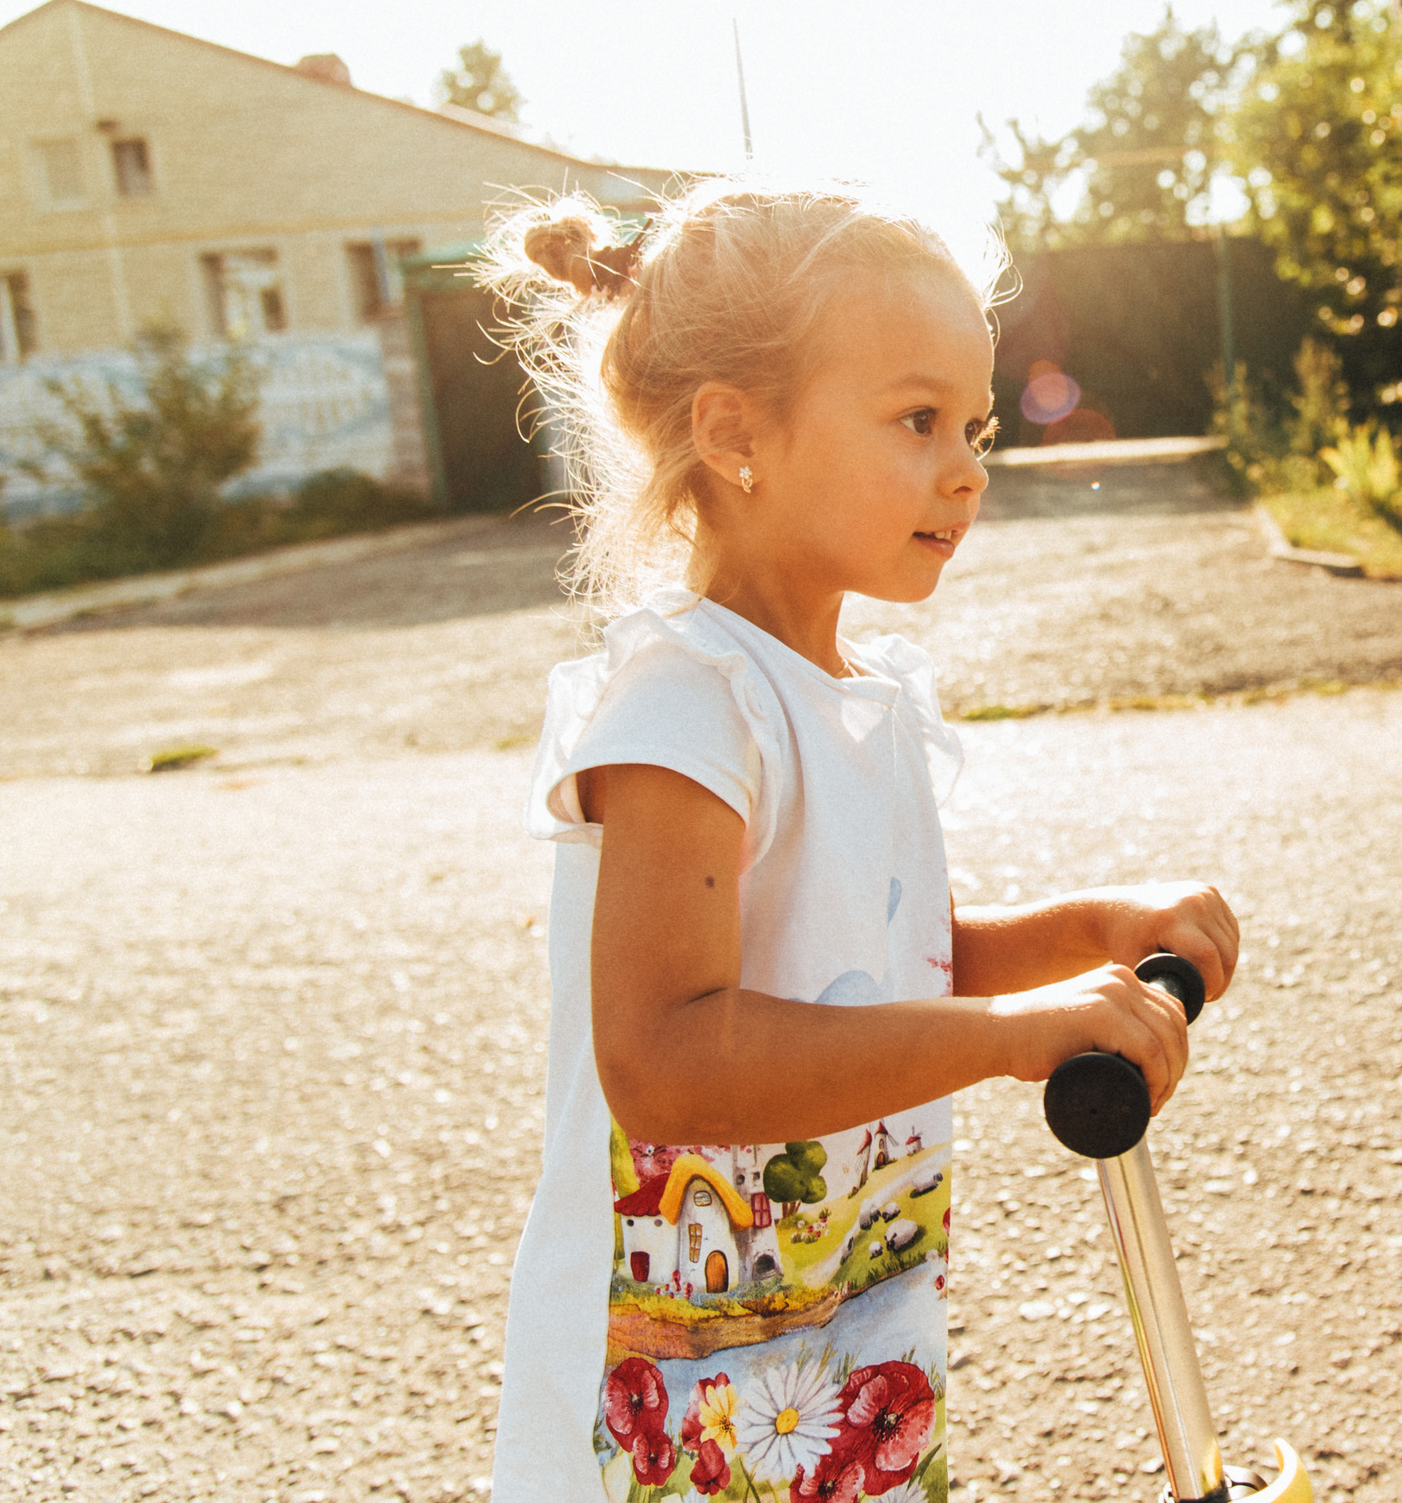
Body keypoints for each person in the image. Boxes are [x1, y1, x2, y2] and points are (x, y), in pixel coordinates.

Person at [482, 181, 1242, 1502]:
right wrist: (1017, 1035)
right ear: (737, 433)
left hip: (829, 1333)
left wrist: (1093, 938)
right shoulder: (686, 706)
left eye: (978, 426)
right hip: (671, 1387)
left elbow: (894, 970)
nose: (967, 468)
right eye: (916, 420)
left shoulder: (861, 693)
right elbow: (667, 1055)